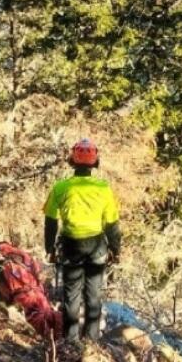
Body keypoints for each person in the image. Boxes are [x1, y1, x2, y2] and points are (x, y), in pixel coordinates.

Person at [43, 139, 121, 342]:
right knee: (93, 295)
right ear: (95, 163)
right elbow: (111, 224)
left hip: (71, 245)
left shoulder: (61, 188)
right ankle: (91, 340)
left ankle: (70, 341)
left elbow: (50, 221)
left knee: (71, 295)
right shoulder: (104, 189)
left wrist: (49, 248)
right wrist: (116, 250)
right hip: (96, 246)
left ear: (72, 161)